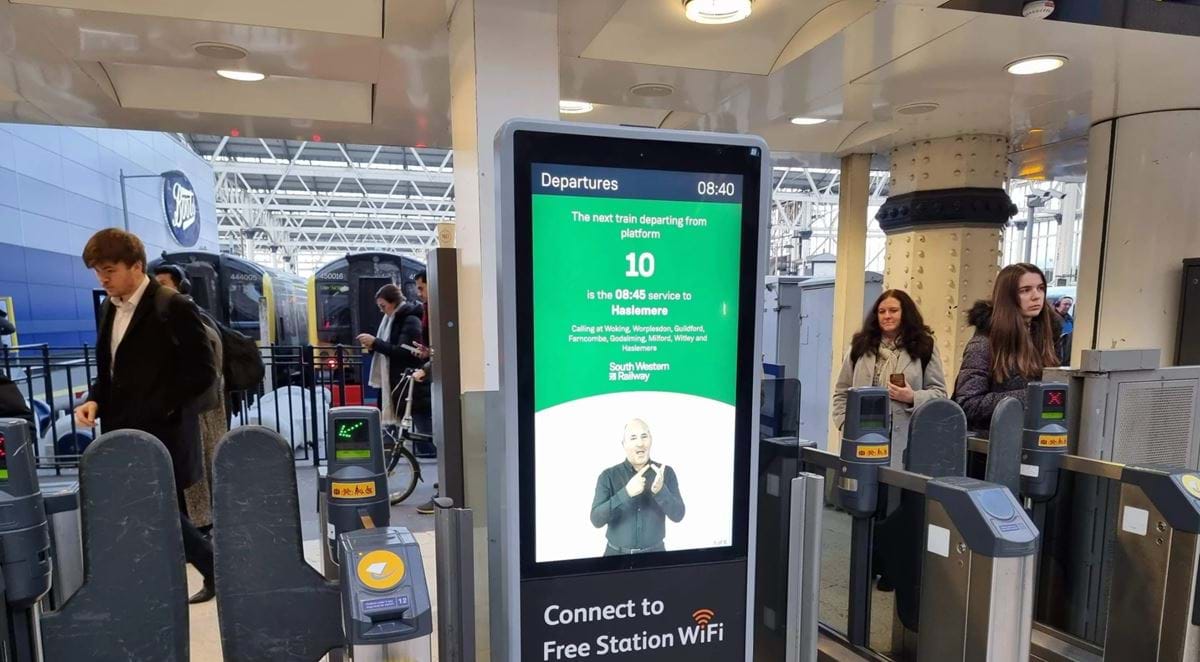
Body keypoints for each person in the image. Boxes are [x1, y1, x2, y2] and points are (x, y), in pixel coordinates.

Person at [71, 229, 218, 604]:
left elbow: (203, 372)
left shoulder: (173, 306)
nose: (102, 279)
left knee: (158, 507)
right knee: (153, 507)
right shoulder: (109, 306)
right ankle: (169, 577)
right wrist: (94, 400)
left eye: (109, 270)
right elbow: (110, 369)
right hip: (121, 429)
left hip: (162, 432)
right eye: (97, 272)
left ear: (136, 266)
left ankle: (212, 569)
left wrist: (161, 406)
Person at [832, 289, 948, 470]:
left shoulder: (925, 346)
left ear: (905, 313)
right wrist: (845, 424)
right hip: (863, 438)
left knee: (897, 493)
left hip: (907, 440)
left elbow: (940, 394)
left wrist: (912, 397)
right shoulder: (860, 346)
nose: (887, 316)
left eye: (893, 311)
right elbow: (842, 391)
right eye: (881, 311)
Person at [153, 264, 227, 534]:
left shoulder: (185, 314)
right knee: (199, 465)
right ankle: (201, 526)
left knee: (197, 467)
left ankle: (201, 526)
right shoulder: (192, 313)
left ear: (180, 286)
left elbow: (203, 366)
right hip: (201, 403)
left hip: (200, 405)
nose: (157, 288)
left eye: (163, 282)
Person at [954, 263, 1061, 431]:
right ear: (1008, 297)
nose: (1036, 296)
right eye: (1025, 290)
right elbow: (968, 404)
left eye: (1040, 288)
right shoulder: (984, 344)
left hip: (1037, 440)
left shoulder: (1049, 339)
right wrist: (1034, 396)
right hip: (992, 446)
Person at [589, 418, 685, 556]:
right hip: (615, 558)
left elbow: (678, 515)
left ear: (651, 440)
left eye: (644, 436)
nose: (640, 443)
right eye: (633, 438)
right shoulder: (607, 476)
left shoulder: (665, 473)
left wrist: (661, 491)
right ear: (624, 444)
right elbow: (596, 520)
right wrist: (625, 493)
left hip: (656, 557)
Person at [356, 284, 423, 427]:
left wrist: (375, 343)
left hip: (403, 381)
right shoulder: (390, 320)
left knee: (412, 427)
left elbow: (404, 351)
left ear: (393, 303)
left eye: (383, 306)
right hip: (393, 381)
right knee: (400, 427)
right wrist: (373, 346)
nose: (381, 311)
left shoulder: (409, 320)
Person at [1053, 296, 1074, 365]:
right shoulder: (1051, 317)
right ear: (1057, 304)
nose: (1068, 307)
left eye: (1069, 305)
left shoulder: (1070, 319)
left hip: (1066, 350)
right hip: (1056, 349)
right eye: (1065, 304)